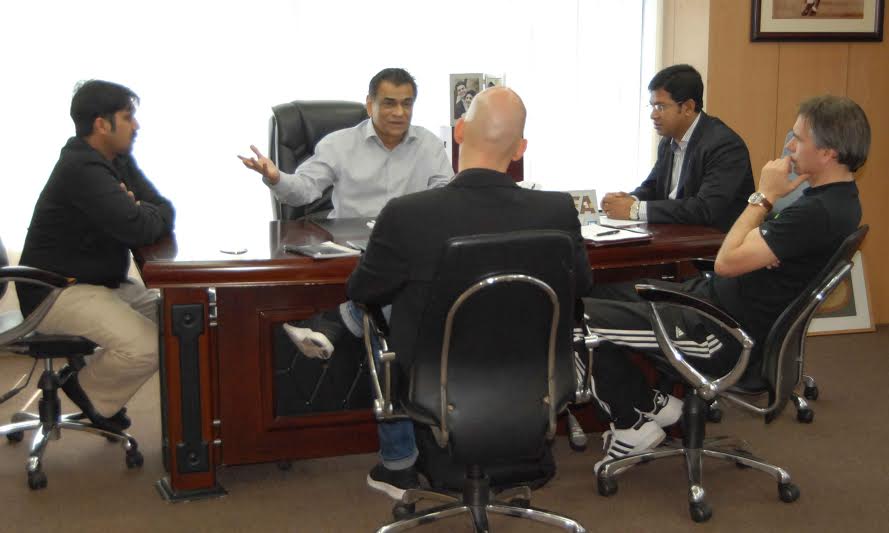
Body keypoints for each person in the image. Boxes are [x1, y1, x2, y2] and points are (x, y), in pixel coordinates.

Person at [584, 94, 868, 473]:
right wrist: (756, 234)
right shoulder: (837, 200)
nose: (789, 146)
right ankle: (654, 406)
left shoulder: (816, 213)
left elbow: (726, 260)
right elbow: (740, 252)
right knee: (600, 293)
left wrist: (763, 197)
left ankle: (632, 422)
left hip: (718, 334)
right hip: (710, 305)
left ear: (829, 152)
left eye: (798, 138)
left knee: (580, 319)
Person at [334, 87, 592, 498]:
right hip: (533, 378)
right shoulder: (558, 211)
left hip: (432, 385)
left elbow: (362, 289)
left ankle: (398, 464)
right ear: (521, 147)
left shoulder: (407, 214)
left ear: (458, 132)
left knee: (367, 314)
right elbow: (583, 286)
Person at [17, 80, 175, 432]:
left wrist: (139, 210)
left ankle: (93, 386)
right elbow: (139, 228)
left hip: (99, 283)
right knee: (147, 346)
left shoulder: (115, 160)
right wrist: (139, 212)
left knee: (182, 320)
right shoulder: (82, 169)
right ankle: (85, 391)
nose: (136, 126)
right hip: (56, 291)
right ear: (102, 124)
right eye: (127, 117)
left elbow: (163, 210)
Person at [239, 68, 453, 219]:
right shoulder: (338, 145)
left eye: (407, 104)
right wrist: (276, 178)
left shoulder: (428, 145)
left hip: (409, 243)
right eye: (389, 104)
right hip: (350, 245)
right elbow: (304, 189)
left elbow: (446, 196)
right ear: (370, 105)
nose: (399, 112)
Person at [600, 64, 754, 232]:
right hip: (677, 236)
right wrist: (627, 200)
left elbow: (705, 209)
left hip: (716, 245)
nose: (653, 115)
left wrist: (635, 209)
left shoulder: (724, 145)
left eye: (661, 106)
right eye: (651, 106)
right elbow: (652, 187)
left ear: (687, 107)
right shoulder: (668, 141)